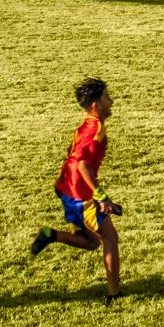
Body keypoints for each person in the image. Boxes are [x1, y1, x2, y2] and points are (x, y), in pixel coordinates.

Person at [28, 77, 122, 305]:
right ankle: (114, 294)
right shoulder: (95, 130)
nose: (111, 102)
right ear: (95, 105)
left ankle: (52, 235)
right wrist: (102, 198)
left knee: (91, 242)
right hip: (82, 196)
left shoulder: (86, 124)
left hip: (66, 188)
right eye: (107, 98)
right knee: (110, 239)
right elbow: (83, 165)